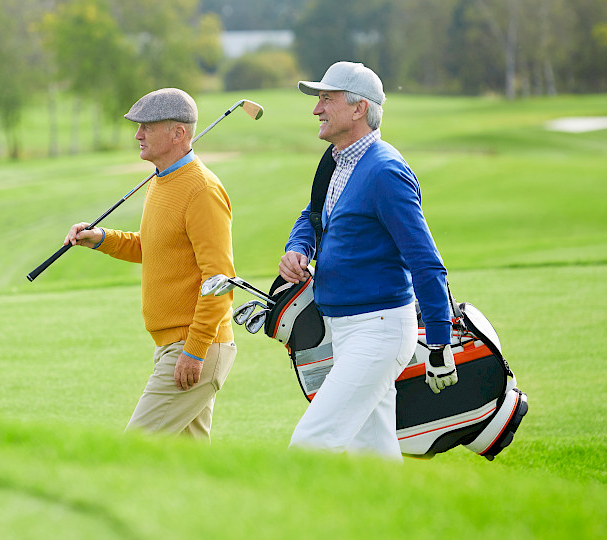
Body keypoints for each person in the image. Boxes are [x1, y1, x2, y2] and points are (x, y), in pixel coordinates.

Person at [279, 62, 458, 461]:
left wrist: (440, 341)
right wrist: (299, 247)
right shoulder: (336, 160)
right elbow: (312, 214)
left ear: (359, 108)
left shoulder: (385, 171)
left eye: (327, 99)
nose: (316, 109)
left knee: (310, 445)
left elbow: (426, 261)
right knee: (373, 456)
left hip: (378, 331)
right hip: (346, 328)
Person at [64, 88, 237, 441]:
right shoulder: (161, 181)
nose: (138, 135)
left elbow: (220, 279)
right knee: (183, 466)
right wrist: (100, 238)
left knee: (133, 451)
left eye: (147, 127)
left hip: (195, 345)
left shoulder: (202, 189)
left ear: (178, 133)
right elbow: (152, 247)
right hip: (173, 346)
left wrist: (194, 350)